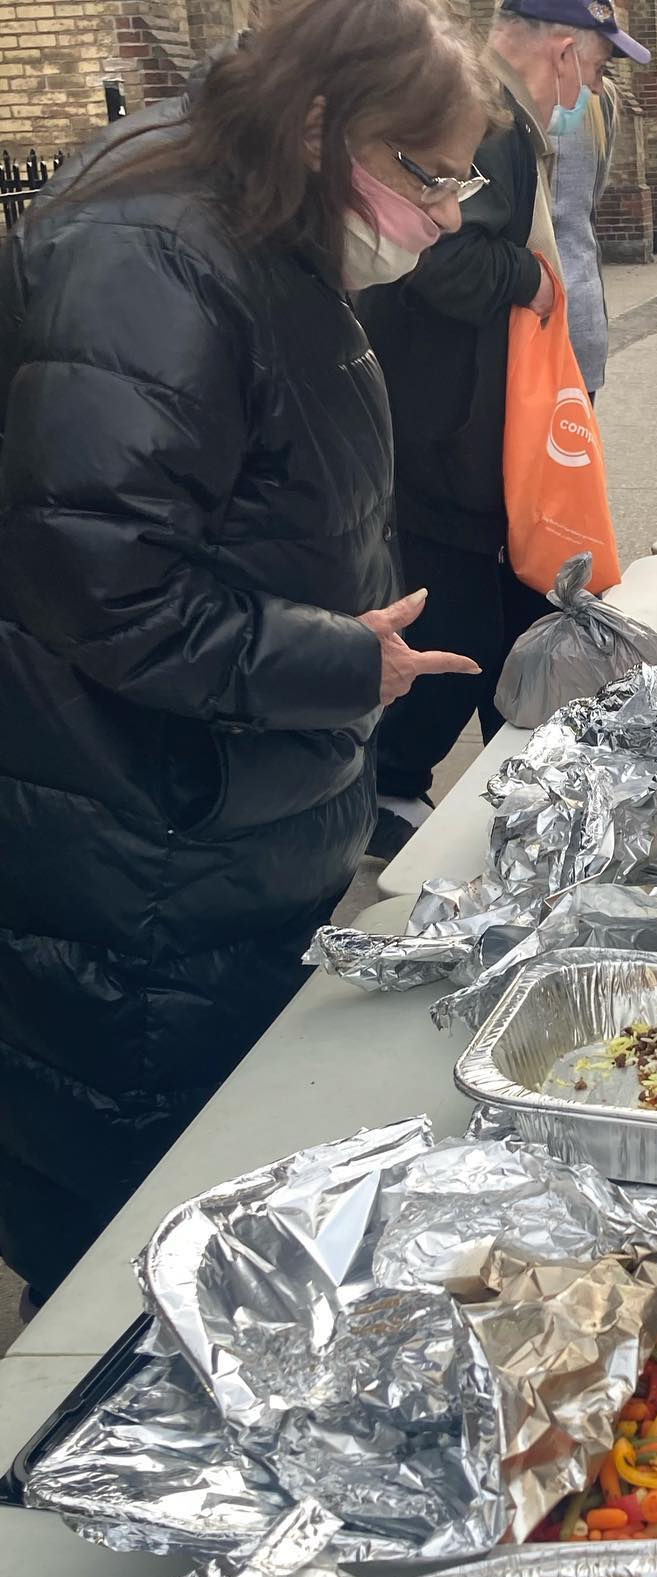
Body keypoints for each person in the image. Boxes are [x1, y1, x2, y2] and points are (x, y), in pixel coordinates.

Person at [0, 0, 493, 1308]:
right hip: (138, 859)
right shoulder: (154, 262)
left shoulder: (265, 229)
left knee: (213, 1205)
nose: (446, 216)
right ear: (325, 128)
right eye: (429, 177)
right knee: (129, 1257)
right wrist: (337, 664)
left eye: (464, 183)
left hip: (218, 831)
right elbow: (104, 585)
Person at [358, 0, 650, 860]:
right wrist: (531, 276)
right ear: (561, 52)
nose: (590, 88)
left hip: (465, 426)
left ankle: (527, 782)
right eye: (595, 66)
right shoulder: (491, 123)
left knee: (509, 613)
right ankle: (398, 784)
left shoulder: (495, 113)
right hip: (449, 431)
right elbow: (444, 264)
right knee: (465, 621)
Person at [551, 77, 617, 401]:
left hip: (530, 311)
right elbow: (594, 194)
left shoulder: (514, 96)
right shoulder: (601, 98)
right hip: (583, 303)